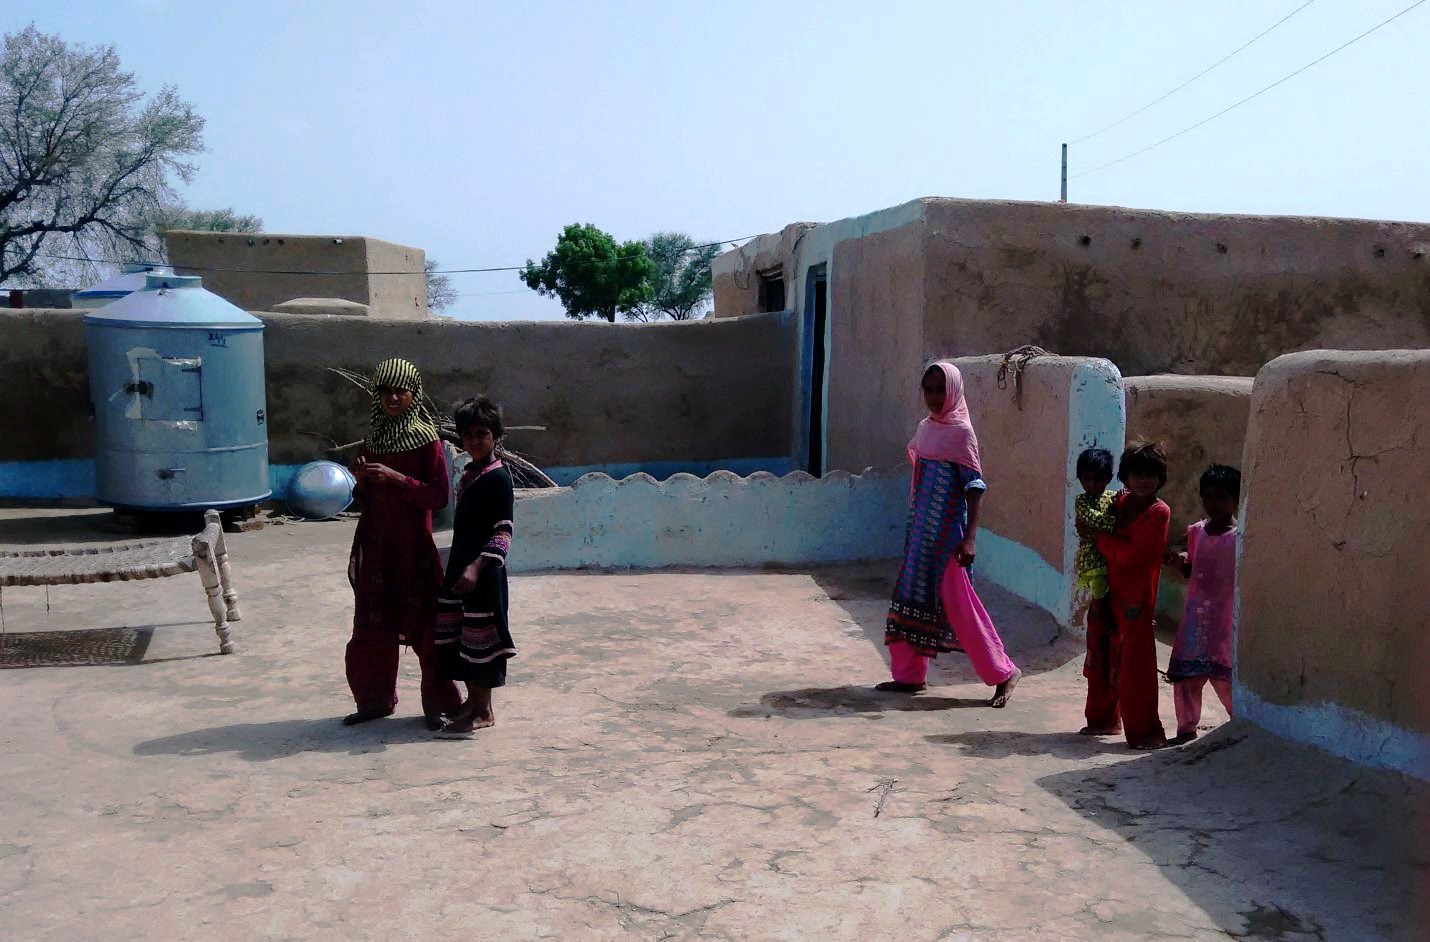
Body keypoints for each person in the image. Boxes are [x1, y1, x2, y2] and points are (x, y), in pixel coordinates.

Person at [879, 361, 1021, 708]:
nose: (933, 396)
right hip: (920, 536)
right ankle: (910, 676)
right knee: (910, 599)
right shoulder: (926, 428)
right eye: (928, 389)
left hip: (949, 539)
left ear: (954, 390)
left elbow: (974, 487)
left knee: (961, 607)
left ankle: (1004, 672)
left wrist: (970, 539)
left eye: (940, 389)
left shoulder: (961, 434)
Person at [343, 358, 461, 730]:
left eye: (400, 390)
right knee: (371, 626)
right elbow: (363, 499)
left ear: (415, 393)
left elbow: (439, 497)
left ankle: (439, 703)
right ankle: (375, 700)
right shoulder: (374, 440)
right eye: (385, 391)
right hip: (376, 547)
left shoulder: (430, 442)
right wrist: (361, 478)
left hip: (413, 547)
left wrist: (397, 478)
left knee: (426, 626)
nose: (393, 398)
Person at [1077, 440, 1171, 750]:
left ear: (1160, 478)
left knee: (1136, 667)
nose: (1143, 480)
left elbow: (1133, 554)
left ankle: (1144, 732)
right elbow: (1088, 523)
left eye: (1150, 474)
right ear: (1126, 476)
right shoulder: (1119, 503)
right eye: (1136, 474)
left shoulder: (1158, 512)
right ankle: (1103, 720)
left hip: (1136, 599)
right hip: (1107, 590)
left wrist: (1098, 538)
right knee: (1102, 654)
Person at [433, 395, 517, 739]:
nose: (475, 441)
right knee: (461, 640)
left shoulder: (499, 478)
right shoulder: (469, 471)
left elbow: (503, 532)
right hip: (460, 572)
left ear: (495, 435)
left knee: (483, 644)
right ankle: (472, 701)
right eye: (468, 435)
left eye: (482, 434)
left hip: (483, 575)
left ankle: (484, 711)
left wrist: (476, 566)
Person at [1164, 465, 1240, 744]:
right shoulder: (1196, 532)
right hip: (1195, 619)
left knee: (1227, 679)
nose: (1213, 504)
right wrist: (1179, 563)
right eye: (1208, 497)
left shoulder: (1240, 538)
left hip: (1224, 621)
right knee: (1187, 678)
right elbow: (1191, 569)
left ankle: (1240, 725)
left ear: (1235, 500)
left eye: (1221, 498)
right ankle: (1186, 729)